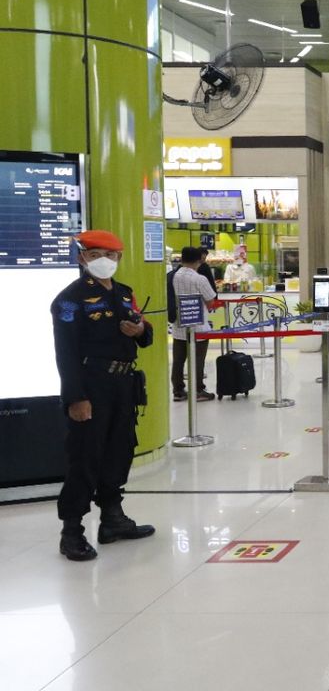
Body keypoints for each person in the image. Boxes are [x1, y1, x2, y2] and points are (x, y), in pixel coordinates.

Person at [50, 230, 156, 562]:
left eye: (110, 256)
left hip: (123, 385)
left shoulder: (125, 294)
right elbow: (64, 354)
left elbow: (145, 334)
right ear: (82, 258)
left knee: (120, 449)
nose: (104, 262)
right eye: (95, 255)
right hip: (91, 385)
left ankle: (113, 518)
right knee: (85, 456)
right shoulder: (70, 299)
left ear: (120, 258)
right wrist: (75, 398)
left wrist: (140, 331)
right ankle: (72, 531)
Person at [171, 247, 219, 402]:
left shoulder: (173, 276)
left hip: (179, 326)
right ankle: (198, 390)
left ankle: (178, 391)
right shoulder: (200, 279)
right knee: (198, 359)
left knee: (178, 360)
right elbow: (211, 300)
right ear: (199, 260)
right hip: (199, 327)